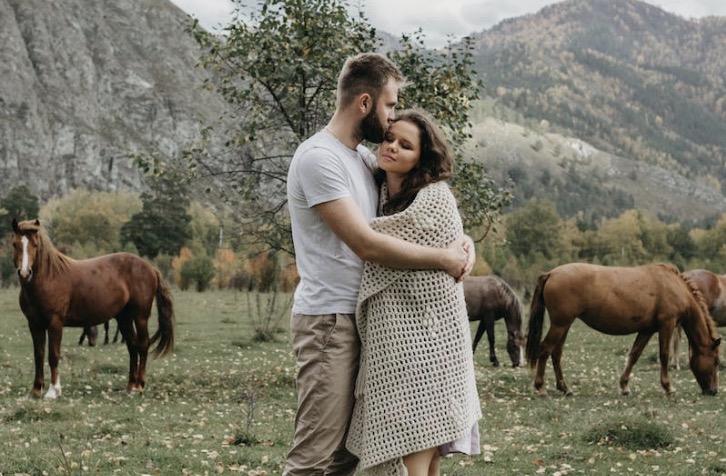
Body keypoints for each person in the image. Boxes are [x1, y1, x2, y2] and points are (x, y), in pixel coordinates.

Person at [284, 53, 475, 475]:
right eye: (389, 105)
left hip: (371, 323)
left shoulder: (365, 161)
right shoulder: (320, 158)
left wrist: (462, 246)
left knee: (348, 457)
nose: (391, 121)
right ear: (365, 103)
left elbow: (417, 208)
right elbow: (367, 244)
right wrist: (444, 259)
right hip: (330, 321)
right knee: (314, 455)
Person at [345, 110, 482, 476]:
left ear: (421, 157)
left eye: (406, 146)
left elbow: (372, 243)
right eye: (390, 139)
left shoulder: (433, 198)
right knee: (424, 460)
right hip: (394, 352)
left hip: (430, 349)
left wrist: (464, 246)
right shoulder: (376, 194)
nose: (392, 148)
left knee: (415, 457)